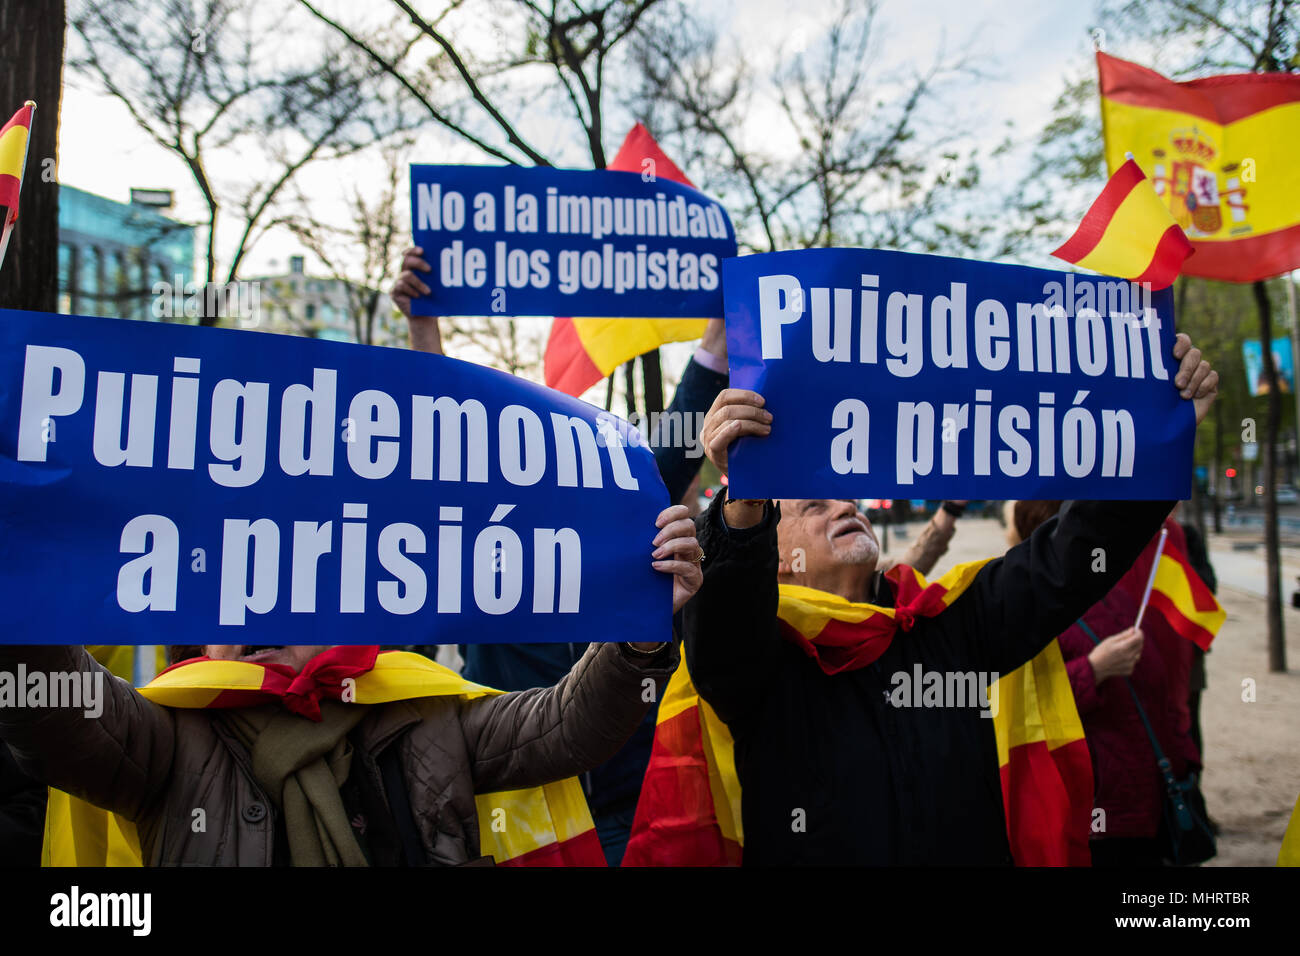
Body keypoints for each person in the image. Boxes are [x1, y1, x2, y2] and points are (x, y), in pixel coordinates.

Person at [682, 334, 1218, 865]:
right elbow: (723, 631)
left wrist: (1161, 436)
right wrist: (746, 495)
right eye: (814, 504)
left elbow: (1069, 557)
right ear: (774, 557)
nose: (844, 504)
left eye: (845, 495)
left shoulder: (947, 620)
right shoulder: (763, 664)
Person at [0, 507, 700, 866]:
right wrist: (19, 577)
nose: (259, 616)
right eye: (234, 603)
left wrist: (638, 633)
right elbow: (52, 709)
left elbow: (568, 727)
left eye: (285, 595)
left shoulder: (422, 714)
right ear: (198, 643)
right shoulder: (164, 737)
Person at [391, 247, 728, 863]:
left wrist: (719, 334)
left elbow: (682, 429)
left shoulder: (617, 514)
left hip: (627, 801)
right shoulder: (472, 535)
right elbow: (439, 423)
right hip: (520, 805)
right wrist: (423, 325)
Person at [1008, 502, 1205, 866]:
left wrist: (1184, 760)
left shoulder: (1113, 588)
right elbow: (1021, 707)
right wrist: (1093, 670)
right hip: (1098, 806)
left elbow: (1156, 683)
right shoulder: (1022, 606)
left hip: (1148, 794)